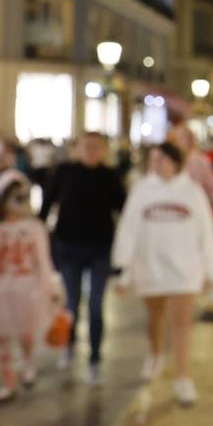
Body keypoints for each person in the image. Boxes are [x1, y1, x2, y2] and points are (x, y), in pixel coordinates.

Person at [111, 142, 213, 406]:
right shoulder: (142, 191)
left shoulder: (192, 192)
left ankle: (183, 378)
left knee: (182, 324)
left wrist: (212, 269)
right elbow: (129, 229)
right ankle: (155, 352)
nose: (156, 164)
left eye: (161, 159)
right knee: (155, 317)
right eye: (153, 159)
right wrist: (124, 268)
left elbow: (205, 232)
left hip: (185, 270)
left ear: (175, 162)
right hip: (150, 267)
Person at [0, 170, 63, 404]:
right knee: (0, 337)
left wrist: (51, 290)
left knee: (25, 333)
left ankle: (28, 363)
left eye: (23, 197)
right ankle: (8, 381)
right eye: (15, 198)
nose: (20, 203)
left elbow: (43, 262)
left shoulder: (34, 229)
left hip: (26, 289)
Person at [40, 132, 126, 384]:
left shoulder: (110, 177)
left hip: (100, 249)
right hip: (69, 248)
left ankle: (95, 357)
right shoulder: (64, 173)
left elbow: (124, 210)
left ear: (104, 151)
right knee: (72, 302)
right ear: (76, 148)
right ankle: (69, 345)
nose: (91, 151)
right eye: (86, 146)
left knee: (96, 304)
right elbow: (46, 206)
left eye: (97, 147)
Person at [168, 120, 213, 218]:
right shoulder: (171, 162)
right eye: (175, 139)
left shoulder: (200, 160)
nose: (176, 143)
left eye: (180, 139)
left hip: (197, 207)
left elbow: (211, 183)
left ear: (189, 140)